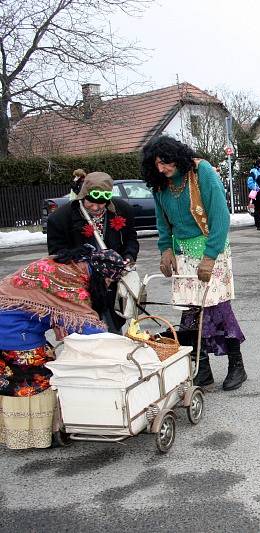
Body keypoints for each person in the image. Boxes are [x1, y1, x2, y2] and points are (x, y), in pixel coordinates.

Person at [141, 135, 246, 392]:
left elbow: (220, 217)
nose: (162, 169)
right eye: (156, 165)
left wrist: (210, 257)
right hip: (183, 253)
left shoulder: (202, 172)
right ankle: (203, 369)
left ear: (177, 156)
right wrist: (165, 249)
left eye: (165, 162)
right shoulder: (160, 186)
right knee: (190, 311)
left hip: (213, 250)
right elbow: (162, 222)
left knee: (217, 308)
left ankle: (237, 366)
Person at [0, 246, 126, 449]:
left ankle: (17, 433)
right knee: (41, 379)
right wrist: (119, 346)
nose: (108, 285)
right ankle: (36, 437)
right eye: (108, 281)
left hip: (8, 322)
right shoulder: (70, 284)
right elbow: (87, 327)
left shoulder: (67, 265)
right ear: (101, 273)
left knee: (12, 380)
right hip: (14, 330)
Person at [46, 171, 139, 333]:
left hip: (113, 286)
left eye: (102, 203)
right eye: (91, 203)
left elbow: (131, 239)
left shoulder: (122, 210)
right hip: (79, 287)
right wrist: (90, 266)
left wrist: (128, 258)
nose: (96, 208)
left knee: (113, 332)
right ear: (83, 196)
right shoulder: (60, 218)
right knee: (84, 334)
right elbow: (57, 255)